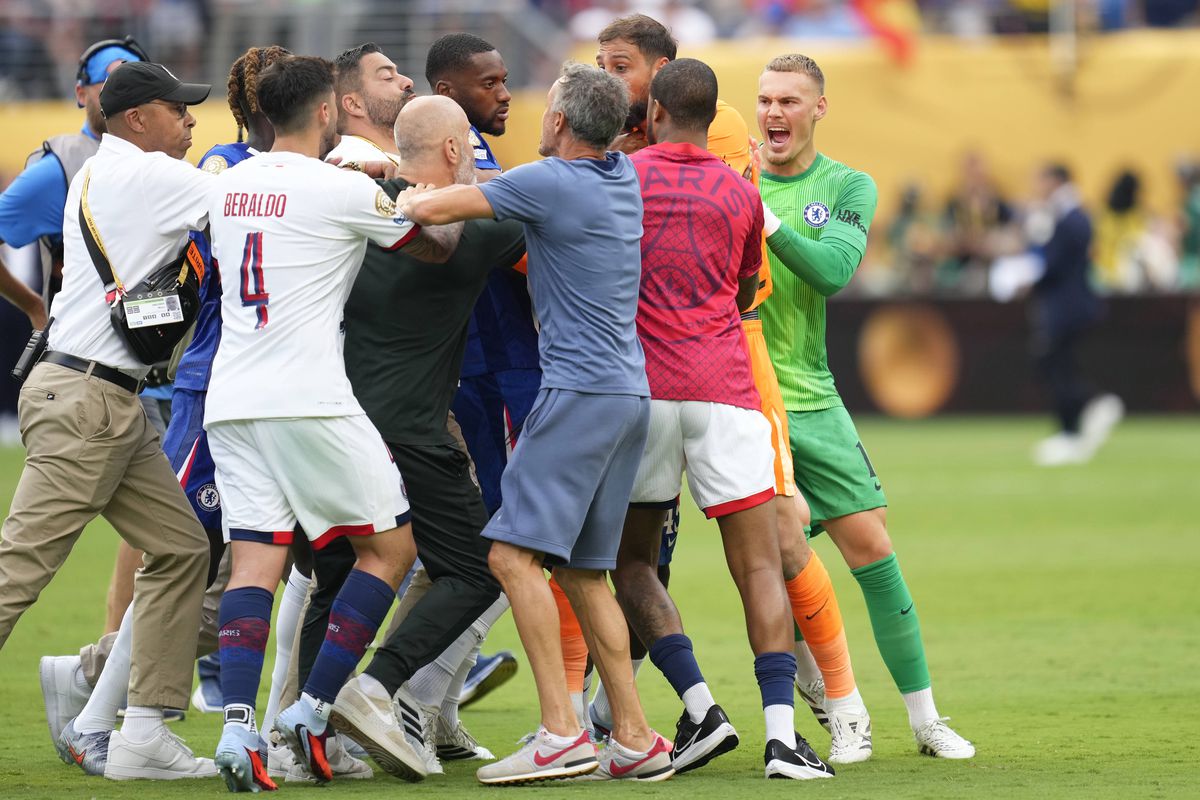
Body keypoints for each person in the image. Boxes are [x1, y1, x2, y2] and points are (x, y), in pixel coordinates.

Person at [591, 14, 870, 764]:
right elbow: (750, 288)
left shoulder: (622, 178)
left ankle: (699, 706)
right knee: (759, 563)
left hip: (647, 390)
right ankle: (783, 738)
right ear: (716, 118)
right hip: (726, 385)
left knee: (633, 564)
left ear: (654, 111)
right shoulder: (745, 193)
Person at [401, 62, 672, 785]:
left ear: (558, 122)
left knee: (509, 559)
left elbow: (433, 210)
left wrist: (387, 177)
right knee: (584, 574)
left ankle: (561, 734)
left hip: (577, 395)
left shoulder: (550, 182)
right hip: (628, 395)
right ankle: (635, 737)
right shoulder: (620, 176)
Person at [202, 54, 459, 792]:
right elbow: (436, 246)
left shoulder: (227, 185)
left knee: (255, 565)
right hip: (310, 398)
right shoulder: (340, 188)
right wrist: (405, 181)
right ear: (325, 112)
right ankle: (312, 709)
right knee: (391, 548)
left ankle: (237, 728)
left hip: (233, 399)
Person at [0, 59, 217, 781]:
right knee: (17, 570)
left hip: (100, 396)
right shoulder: (149, 174)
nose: (190, 119)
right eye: (177, 109)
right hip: (88, 400)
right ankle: (137, 723)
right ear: (138, 119)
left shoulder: (105, 168)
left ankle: (144, 731)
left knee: (181, 549)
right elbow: (250, 204)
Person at [756, 52, 975, 758]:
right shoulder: (729, 179)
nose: (774, 113)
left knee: (874, 548)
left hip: (814, 398)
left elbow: (833, 270)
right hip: (747, 399)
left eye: (789, 100)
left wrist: (764, 218)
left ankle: (925, 720)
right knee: (782, 548)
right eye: (765, 100)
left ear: (819, 108)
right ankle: (834, 701)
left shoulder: (847, 185)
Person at [319, 94, 527, 779]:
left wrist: (385, 169)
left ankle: (301, 731)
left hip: (334, 420)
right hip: (412, 428)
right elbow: (550, 201)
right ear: (453, 150)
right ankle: (380, 688)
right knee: (478, 568)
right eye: (467, 142)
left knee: (333, 576)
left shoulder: (359, 202)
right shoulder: (474, 230)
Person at [424, 29, 534, 713]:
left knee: (499, 538)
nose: (505, 93)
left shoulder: (476, 154)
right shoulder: (451, 154)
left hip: (492, 363)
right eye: (489, 83)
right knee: (509, 538)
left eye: (504, 79)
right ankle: (413, 690)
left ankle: (430, 701)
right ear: (448, 91)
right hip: (485, 368)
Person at [0, 37, 147, 332]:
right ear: (81, 93)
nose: (126, 97)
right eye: (110, 84)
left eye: (139, 87)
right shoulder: (60, 166)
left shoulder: (163, 156)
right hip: (83, 351)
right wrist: (32, 305)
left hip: (160, 350)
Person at [1027, 163, 1123, 466]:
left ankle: (1091, 406)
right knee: (1058, 366)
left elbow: (1056, 264)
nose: (1036, 186)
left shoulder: (1071, 216)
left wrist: (1030, 279)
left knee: (1057, 366)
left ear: (1054, 181)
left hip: (1066, 306)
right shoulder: (1067, 215)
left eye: (1040, 179)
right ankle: (1070, 432)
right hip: (1068, 304)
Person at [324, 42, 415, 166]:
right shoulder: (353, 164)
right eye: (388, 77)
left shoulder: (411, 156)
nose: (408, 82)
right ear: (354, 105)